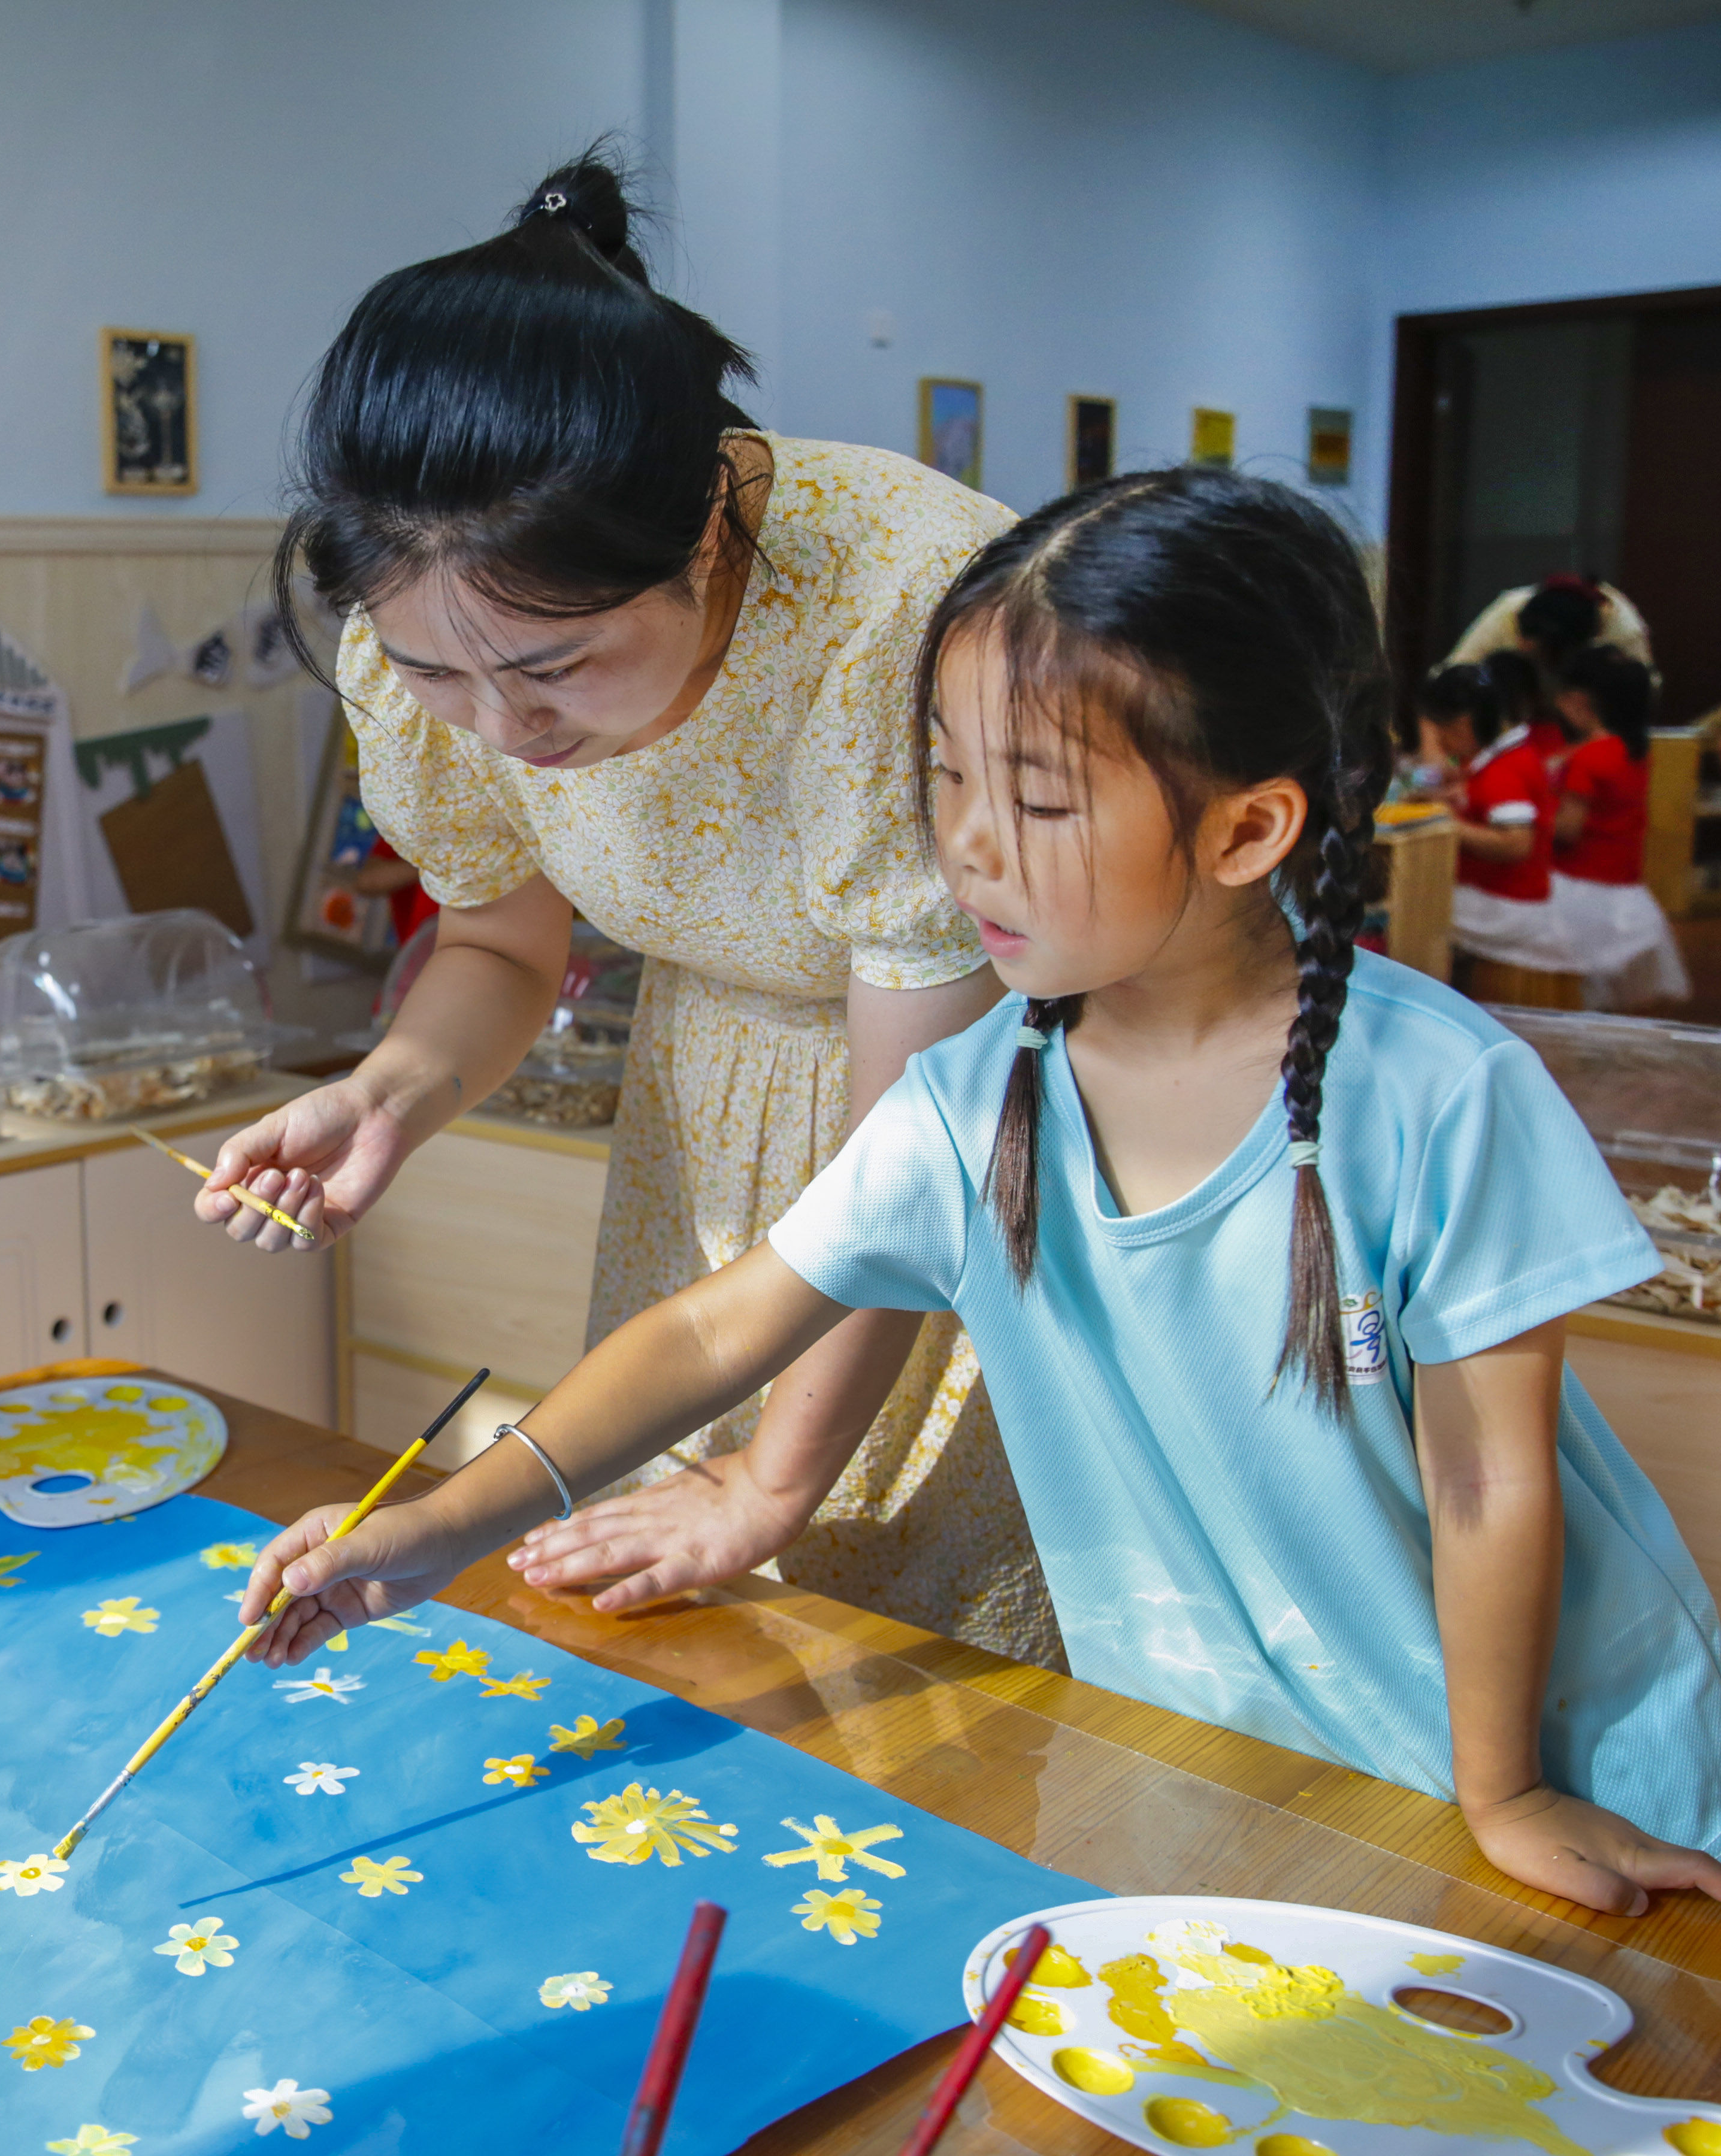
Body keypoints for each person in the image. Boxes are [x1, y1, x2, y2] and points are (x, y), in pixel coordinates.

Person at [238, 470, 1721, 1913]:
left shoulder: (1436, 1097)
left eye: (1037, 799)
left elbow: (1486, 1480)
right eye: (944, 773)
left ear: (1247, 829)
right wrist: (436, 1530)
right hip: (1233, 1771)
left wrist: (1504, 1790)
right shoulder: (980, 1096)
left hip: (1533, 1768)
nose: (965, 844)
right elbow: (710, 1336)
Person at [196, 150, 1053, 1663]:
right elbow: (496, 942)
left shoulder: (893, 615)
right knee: (683, 1638)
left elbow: (901, 1170)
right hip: (700, 1115)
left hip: (952, 1130)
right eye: (436, 676)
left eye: (551, 670)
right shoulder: (430, 647)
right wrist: (393, 1089)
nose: (501, 731)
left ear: (710, 532)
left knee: (915, 1660)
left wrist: (770, 1476)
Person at [1546, 645, 1689, 1008]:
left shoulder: (1588, 758)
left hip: (1579, 890)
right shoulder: (1634, 751)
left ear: (1579, 701)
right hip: (1626, 892)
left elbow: (1567, 831)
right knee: (1617, 1002)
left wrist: (1531, 816)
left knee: (1580, 995)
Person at [1418, 659, 1568, 980]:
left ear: (1462, 724)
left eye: (1441, 734)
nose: (1441, 746)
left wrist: (1448, 824)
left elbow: (1516, 845)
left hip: (1507, 906)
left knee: (1413, 911)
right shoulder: (1508, 756)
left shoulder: (1505, 771)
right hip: (1512, 898)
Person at [1445, 572, 1655, 677]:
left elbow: (1638, 707)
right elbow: (1449, 681)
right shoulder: (1509, 611)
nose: (1522, 646)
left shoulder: (1625, 634)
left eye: (1536, 654)